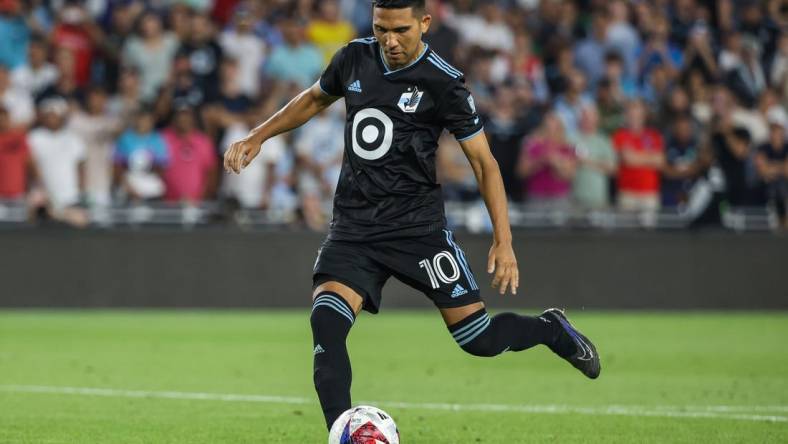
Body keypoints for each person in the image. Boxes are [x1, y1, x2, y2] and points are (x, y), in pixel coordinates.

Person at [223, 0, 600, 433]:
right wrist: (258, 136)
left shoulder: (444, 82)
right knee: (325, 323)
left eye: (400, 30)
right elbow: (313, 100)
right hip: (355, 229)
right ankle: (342, 434)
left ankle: (551, 329)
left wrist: (504, 239)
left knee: (478, 340)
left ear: (424, 22)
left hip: (418, 231)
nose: (389, 40)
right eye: (381, 28)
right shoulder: (353, 58)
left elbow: (483, 163)